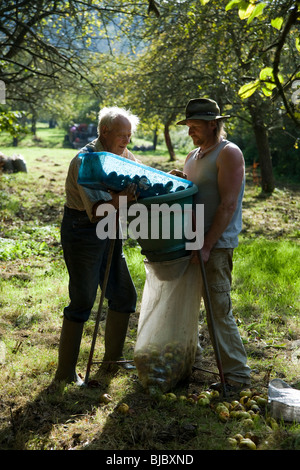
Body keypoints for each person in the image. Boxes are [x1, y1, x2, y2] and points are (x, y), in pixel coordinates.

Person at [54, 106, 140, 385]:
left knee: (124, 295)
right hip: (83, 228)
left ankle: (111, 363)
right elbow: (98, 211)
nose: (127, 141)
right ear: (105, 132)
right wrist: (122, 200)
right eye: (122, 135)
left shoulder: (123, 155)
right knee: (83, 300)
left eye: (130, 135)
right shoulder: (86, 160)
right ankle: (65, 373)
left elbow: (141, 179)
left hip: (111, 227)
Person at [174, 98, 251, 394]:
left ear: (212, 123)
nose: (190, 132)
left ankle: (238, 377)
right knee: (192, 307)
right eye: (188, 126)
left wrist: (207, 245)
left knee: (219, 310)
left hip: (215, 245)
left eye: (194, 126)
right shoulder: (194, 155)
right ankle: (193, 360)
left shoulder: (228, 153)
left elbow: (228, 203)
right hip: (192, 242)